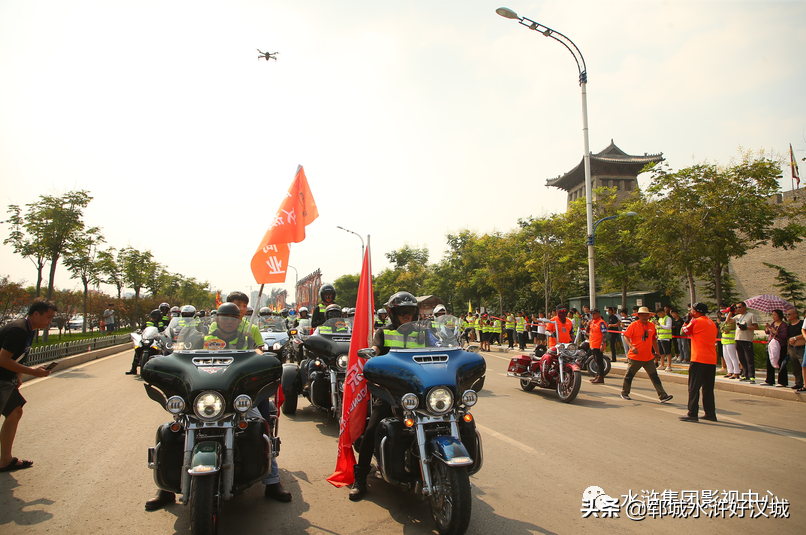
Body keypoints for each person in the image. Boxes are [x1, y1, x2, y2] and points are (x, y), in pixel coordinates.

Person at [145, 302, 291, 510]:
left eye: (233, 319)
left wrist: (263, 358)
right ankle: (165, 490)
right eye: (224, 318)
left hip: (233, 398)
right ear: (217, 319)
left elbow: (258, 355)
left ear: (238, 321)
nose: (228, 322)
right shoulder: (200, 339)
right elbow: (179, 357)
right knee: (174, 430)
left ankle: (272, 482)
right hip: (204, 397)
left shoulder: (246, 339)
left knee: (260, 426)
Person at [349, 291, 433, 501]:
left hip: (419, 390)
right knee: (371, 430)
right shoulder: (384, 332)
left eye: (411, 312)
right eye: (402, 312)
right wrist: (373, 352)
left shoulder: (422, 333)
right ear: (393, 314)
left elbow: (438, 349)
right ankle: (360, 478)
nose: (407, 316)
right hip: (392, 391)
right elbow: (376, 349)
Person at [0, 299, 56, 472]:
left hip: (5, 378)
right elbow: (2, 359)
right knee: (14, 411)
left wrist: (18, 374)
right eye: (48, 317)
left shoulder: (28, 330)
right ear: (36, 314)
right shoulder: (18, 330)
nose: (50, 322)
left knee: (15, 411)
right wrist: (34, 372)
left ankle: (5, 459)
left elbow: (15, 356)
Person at [620, 307, 673, 403]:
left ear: (649, 316)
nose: (644, 317)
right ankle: (625, 392)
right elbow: (626, 336)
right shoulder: (633, 325)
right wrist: (631, 346)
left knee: (654, 376)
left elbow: (653, 339)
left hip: (648, 357)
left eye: (646, 315)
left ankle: (662, 395)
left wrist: (657, 351)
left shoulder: (652, 326)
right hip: (635, 357)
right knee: (629, 375)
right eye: (642, 315)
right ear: (638, 316)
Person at [679, 303, 718, 422]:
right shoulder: (712, 323)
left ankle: (692, 413)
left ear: (695, 311)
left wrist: (686, 321)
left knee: (693, 387)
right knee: (707, 388)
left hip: (698, 359)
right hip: (711, 359)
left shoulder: (696, 321)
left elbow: (684, 332)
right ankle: (710, 413)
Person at [727, 301, 758, 383]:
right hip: (738, 339)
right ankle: (745, 374)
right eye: (737, 307)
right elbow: (728, 321)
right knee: (741, 358)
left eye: (740, 307)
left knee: (749, 358)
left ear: (744, 307)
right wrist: (731, 311)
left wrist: (746, 327)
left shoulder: (751, 315)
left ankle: (751, 376)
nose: (738, 309)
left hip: (747, 339)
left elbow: (756, 326)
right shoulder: (738, 316)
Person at [763, 309, 789, 387]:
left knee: (781, 362)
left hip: (780, 345)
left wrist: (775, 332)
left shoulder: (783, 324)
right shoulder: (773, 323)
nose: (773, 317)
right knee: (770, 361)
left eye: (775, 315)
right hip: (772, 345)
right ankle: (769, 380)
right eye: (773, 315)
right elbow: (768, 332)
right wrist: (767, 328)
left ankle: (782, 381)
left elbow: (785, 336)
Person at [588, 308, 608, 384]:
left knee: (599, 362)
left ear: (598, 314)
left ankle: (601, 377)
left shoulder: (601, 322)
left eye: (594, 313)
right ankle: (597, 375)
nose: (592, 315)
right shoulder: (592, 322)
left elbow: (604, 334)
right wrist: (588, 323)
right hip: (592, 344)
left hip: (598, 345)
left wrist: (602, 344)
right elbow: (588, 331)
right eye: (591, 314)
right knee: (596, 361)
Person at [786, 309, 804, 390]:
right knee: (795, 367)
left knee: (803, 366)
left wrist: (795, 338)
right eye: (786, 314)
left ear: (795, 314)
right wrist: (788, 349)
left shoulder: (802, 323)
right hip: (792, 349)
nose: (787, 315)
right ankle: (798, 383)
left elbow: (804, 334)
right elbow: (788, 338)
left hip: (801, 348)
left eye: (789, 314)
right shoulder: (789, 326)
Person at [720, 315, 741, 379]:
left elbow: (724, 329)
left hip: (731, 342)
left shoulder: (733, 323)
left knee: (733, 357)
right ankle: (730, 371)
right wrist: (723, 327)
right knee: (726, 357)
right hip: (725, 342)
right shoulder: (727, 323)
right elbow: (721, 329)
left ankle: (736, 372)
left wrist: (723, 328)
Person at [654, 307, 673, 372]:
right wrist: (656, 325)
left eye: (659, 314)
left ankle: (669, 365)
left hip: (666, 337)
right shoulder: (660, 319)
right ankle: (662, 364)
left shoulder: (668, 318)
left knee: (667, 352)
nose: (658, 316)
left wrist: (660, 325)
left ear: (662, 312)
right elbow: (658, 327)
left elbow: (668, 327)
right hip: (660, 337)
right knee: (661, 352)